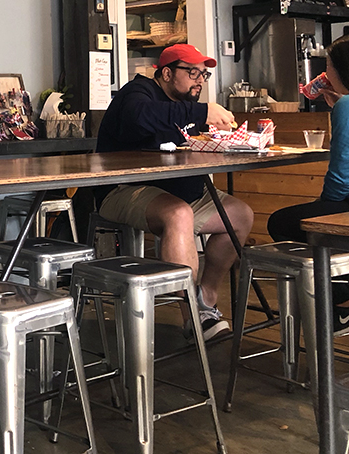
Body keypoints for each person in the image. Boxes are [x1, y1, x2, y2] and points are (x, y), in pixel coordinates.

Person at [96, 43, 253, 340]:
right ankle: (192, 318)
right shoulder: (138, 93)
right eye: (192, 72)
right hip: (123, 190)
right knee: (178, 214)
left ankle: (205, 298)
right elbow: (140, 116)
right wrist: (203, 110)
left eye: (203, 75)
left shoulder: (184, 106)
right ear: (166, 73)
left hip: (180, 190)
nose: (199, 80)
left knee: (240, 215)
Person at [267, 32, 349, 334]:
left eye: (328, 66)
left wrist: (322, 207)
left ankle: (346, 304)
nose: (324, 73)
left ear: (343, 70)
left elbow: (344, 176)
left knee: (283, 222)